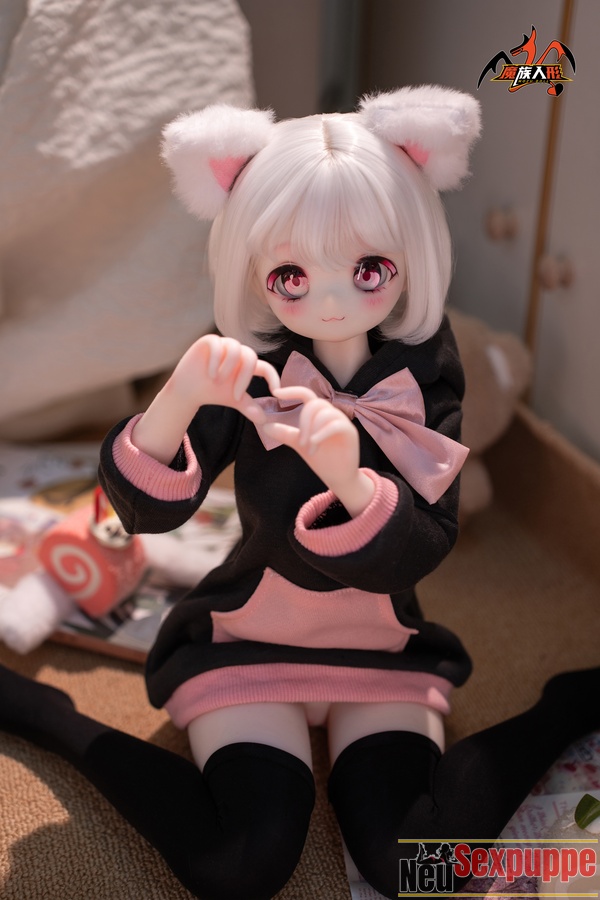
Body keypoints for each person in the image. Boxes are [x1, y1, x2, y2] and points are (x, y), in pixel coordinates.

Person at [1, 87, 599, 900]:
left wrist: (350, 476)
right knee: (243, 864)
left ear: (411, 250)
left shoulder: (426, 375)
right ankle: (53, 717)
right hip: (247, 639)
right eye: (291, 274)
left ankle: (563, 706)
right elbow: (144, 513)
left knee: (418, 867)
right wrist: (177, 400)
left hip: (380, 650)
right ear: (252, 266)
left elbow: (427, 541)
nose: (330, 298)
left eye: (368, 269)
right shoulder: (247, 363)